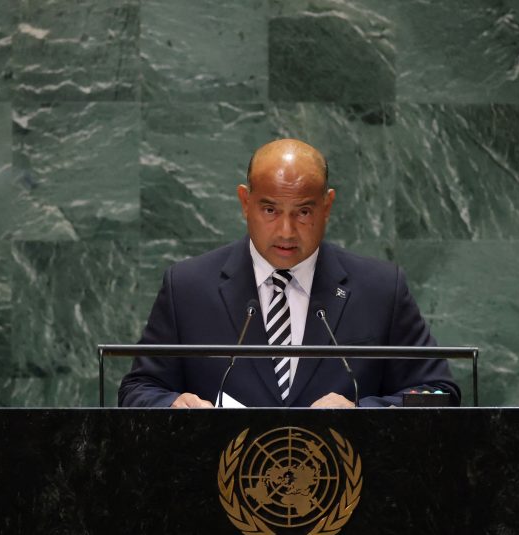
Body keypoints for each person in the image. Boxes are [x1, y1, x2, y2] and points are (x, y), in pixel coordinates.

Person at [118, 138, 459, 408]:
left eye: (304, 212)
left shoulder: (381, 289)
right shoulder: (187, 287)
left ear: (327, 206)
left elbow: (439, 394)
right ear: (245, 202)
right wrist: (173, 404)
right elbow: (139, 389)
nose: (286, 231)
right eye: (270, 210)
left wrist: (361, 413)